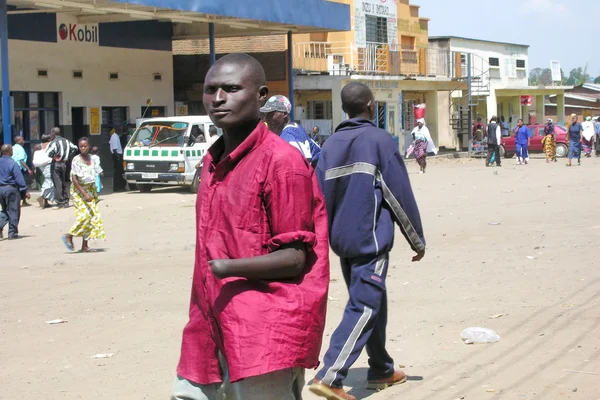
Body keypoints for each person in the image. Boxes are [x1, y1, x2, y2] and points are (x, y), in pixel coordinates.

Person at [171, 53, 329, 400]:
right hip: (208, 324)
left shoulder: (283, 163)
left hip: (262, 331)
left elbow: (295, 258)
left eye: (230, 89)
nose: (218, 99)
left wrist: (227, 268)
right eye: (211, 90)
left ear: (261, 96)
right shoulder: (212, 162)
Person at [310, 82, 425, 400]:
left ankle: (381, 368)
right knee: (363, 305)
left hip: (342, 243)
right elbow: (398, 193)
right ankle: (330, 375)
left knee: (373, 300)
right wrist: (417, 239)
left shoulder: (330, 145)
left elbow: (317, 198)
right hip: (370, 242)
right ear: (371, 106)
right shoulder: (379, 140)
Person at [61, 137, 106, 253]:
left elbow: (98, 169)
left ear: (89, 146)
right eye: (81, 146)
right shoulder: (76, 160)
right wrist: (84, 193)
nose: (83, 148)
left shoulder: (92, 158)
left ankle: (85, 246)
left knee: (91, 217)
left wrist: (101, 174)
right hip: (79, 190)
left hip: (90, 189)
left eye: (85, 146)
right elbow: (74, 179)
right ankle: (69, 235)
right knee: (84, 216)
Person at [261, 95, 322, 167]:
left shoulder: (288, 137)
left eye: (271, 114)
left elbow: (302, 163)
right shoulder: (295, 128)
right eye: (266, 114)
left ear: (284, 114)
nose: (266, 118)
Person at [0, 144, 31, 239]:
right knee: (14, 211)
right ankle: (12, 233)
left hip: (1, 189)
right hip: (11, 189)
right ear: (10, 151)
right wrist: (25, 190)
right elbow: (19, 178)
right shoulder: (12, 163)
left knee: (5, 210)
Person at [47, 127, 78, 209]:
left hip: (56, 164)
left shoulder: (54, 142)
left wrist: (54, 157)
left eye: (51, 133)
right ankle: (66, 200)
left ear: (54, 133)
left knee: (57, 183)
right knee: (63, 181)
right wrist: (67, 156)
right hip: (64, 164)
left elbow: (48, 152)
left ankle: (61, 201)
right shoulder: (66, 141)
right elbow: (75, 148)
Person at [32, 134, 55, 209]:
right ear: (49, 139)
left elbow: (35, 156)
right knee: (50, 182)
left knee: (43, 183)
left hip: (38, 167)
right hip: (47, 165)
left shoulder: (38, 146)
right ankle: (42, 197)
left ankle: (46, 202)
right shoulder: (51, 145)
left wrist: (34, 168)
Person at [12, 136, 33, 206]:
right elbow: (21, 161)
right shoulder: (20, 148)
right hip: (19, 169)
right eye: (22, 140)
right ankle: (24, 201)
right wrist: (28, 169)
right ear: (19, 141)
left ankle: (17, 201)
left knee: (16, 185)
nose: (23, 141)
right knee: (22, 183)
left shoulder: (13, 147)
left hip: (13, 168)